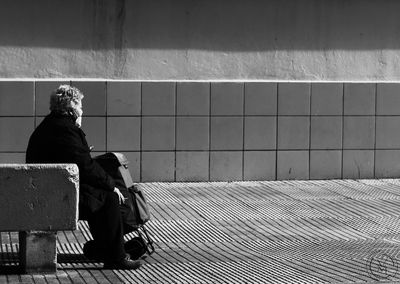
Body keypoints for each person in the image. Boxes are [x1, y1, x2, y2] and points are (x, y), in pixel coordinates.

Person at [26, 85, 141, 270]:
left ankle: (106, 249)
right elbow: (85, 166)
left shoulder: (50, 125)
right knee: (109, 198)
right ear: (71, 106)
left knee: (98, 196)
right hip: (55, 199)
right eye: (80, 106)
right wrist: (112, 185)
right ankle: (116, 257)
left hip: (48, 191)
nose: (82, 110)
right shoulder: (66, 130)